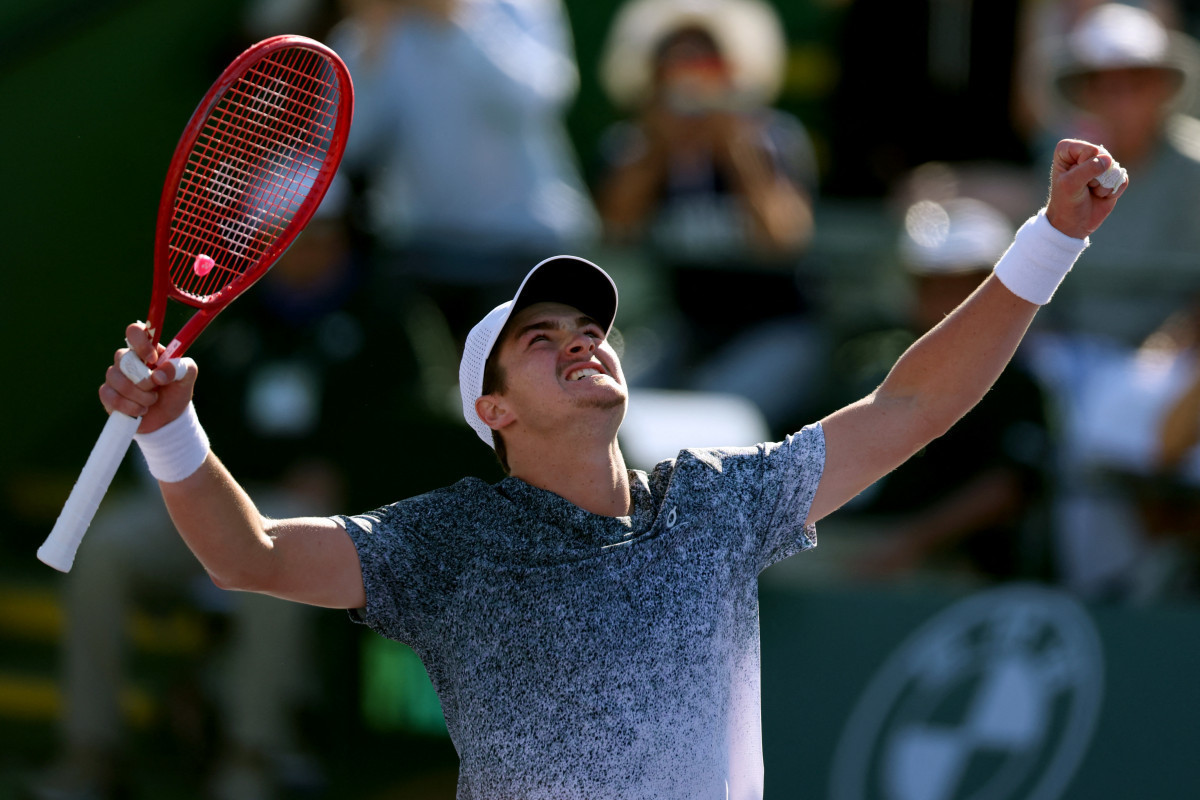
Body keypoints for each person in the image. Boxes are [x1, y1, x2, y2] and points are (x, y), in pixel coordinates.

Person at [94, 139, 1123, 798]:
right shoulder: (447, 540)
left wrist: (1049, 240)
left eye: (591, 326)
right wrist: (172, 429)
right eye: (543, 338)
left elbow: (914, 402)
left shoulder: (719, 499)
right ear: (492, 410)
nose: (584, 340)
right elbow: (251, 553)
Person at [594, 0, 823, 433]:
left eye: (705, 65)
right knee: (611, 400)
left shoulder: (772, 140)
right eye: (674, 67)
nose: (691, 82)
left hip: (775, 330)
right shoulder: (634, 148)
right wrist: (658, 150)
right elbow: (615, 231)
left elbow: (785, 240)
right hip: (683, 329)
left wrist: (735, 151)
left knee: (712, 412)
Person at [327, 0, 599, 345]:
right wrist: (372, 40)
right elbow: (349, 145)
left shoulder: (522, 7)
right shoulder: (369, 27)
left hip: (524, 250)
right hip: (419, 252)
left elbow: (537, 99)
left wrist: (457, 19)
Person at [842, 196, 1052, 583]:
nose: (944, 302)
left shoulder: (1016, 382)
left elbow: (1007, 489)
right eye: (930, 285)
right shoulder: (871, 358)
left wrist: (910, 543)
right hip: (851, 540)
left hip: (951, 566)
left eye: (963, 286)